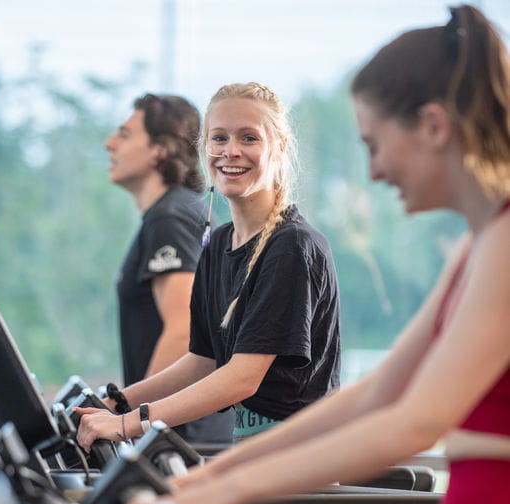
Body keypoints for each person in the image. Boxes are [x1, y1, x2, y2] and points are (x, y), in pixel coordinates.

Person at [119, 5, 510, 504]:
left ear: (433, 126)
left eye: (376, 145)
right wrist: (202, 482)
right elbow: (378, 392)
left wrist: (217, 491)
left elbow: (413, 422)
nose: (373, 172)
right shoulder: (478, 248)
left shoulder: (503, 246)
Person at [76, 82, 341, 447]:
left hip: (297, 463)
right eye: (219, 139)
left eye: (249, 138)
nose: (230, 151)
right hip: (250, 457)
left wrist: (129, 424)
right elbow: (202, 359)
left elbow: (241, 379)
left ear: (279, 147)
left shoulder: (292, 246)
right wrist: (117, 402)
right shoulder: (217, 243)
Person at [104, 93, 233, 444]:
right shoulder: (176, 212)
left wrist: (130, 423)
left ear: (160, 149)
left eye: (125, 135)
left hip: (183, 438)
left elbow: (183, 330)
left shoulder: (171, 216)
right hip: (185, 432)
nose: (109, 144)